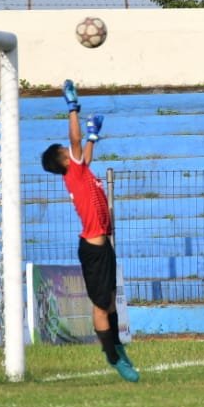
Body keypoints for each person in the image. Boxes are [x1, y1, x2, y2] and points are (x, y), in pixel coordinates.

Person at [40, 79, 138, 382]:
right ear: (66, 159)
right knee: (100, 306)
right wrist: (73, 108)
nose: (74, 150)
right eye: (68, 150)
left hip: (103, 246)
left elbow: (85, 152)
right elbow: (75, 139)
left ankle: (117, 348)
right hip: (93, 250)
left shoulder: (81, 172)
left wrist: (94, 136)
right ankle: (113, 358)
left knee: (110, 300)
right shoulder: (73, 172)